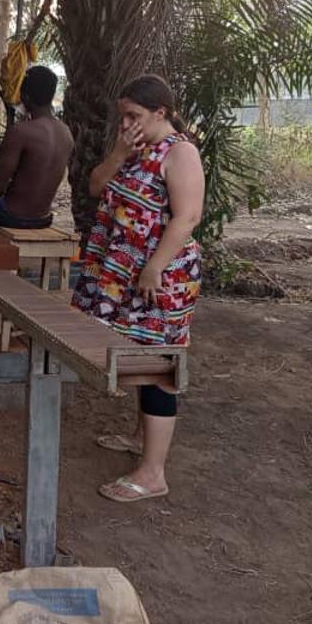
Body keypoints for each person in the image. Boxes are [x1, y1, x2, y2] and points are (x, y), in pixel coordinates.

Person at [72, 74, 204, 503]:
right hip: (124, 273)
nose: (127, 123)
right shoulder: (133, 149)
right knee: (140, 356)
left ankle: (153, 473)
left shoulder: (180, 152)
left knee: (159, 366)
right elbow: (95, 187)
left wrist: (154, 268)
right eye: (123, 116)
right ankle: (140, 436)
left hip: (159, 277)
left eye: (134, 115)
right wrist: (117, 152)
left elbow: (187, 217)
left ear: (160, 113)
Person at [0, 66, 73, 233]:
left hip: (11, 217)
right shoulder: (66, 133)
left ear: (25, 97)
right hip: (43, 219)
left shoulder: (21, 132)